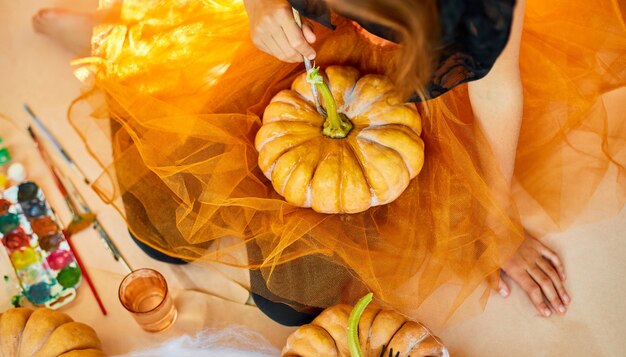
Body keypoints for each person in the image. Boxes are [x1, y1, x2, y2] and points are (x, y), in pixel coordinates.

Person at [32, 0, 625, 323]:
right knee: (162, 236)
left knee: (288, 307)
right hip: (292, 31)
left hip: (405, 95)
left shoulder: (481, 12)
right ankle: (113, 39)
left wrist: (497, 222)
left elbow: (496, 87)